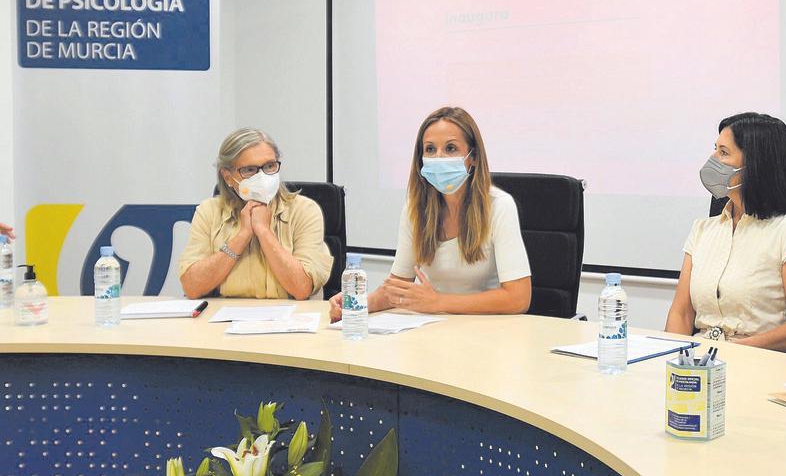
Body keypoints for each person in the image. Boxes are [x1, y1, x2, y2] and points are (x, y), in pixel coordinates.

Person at [330, 107, 531, 319]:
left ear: (473, 158)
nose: (439, 157)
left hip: (487, 329)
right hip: (432, 329)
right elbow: (397, 289)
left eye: (451, 148)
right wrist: (355, 305)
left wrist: (439, 302)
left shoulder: (499, 206)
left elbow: (518, 298)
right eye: (430, 149)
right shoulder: (416, 209)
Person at [664, 112, 786, 351]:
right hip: (698, 363)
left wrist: (730, 353)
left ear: (756, 165)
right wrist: (678, 358)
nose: (712, 158)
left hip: (758, 362)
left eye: (724, 152)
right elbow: (681, 313)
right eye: (715, 149)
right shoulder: (703, 229)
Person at [179, 128, 333, 299]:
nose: (263, 177)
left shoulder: (305, 210)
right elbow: (192, 287)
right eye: (250, 170)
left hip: (290, 318)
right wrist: (242, 235)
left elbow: (301, 289)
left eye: (270, 166)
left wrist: (264, 231)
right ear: (228, 177)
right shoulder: (208, 212)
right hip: (227, 318)